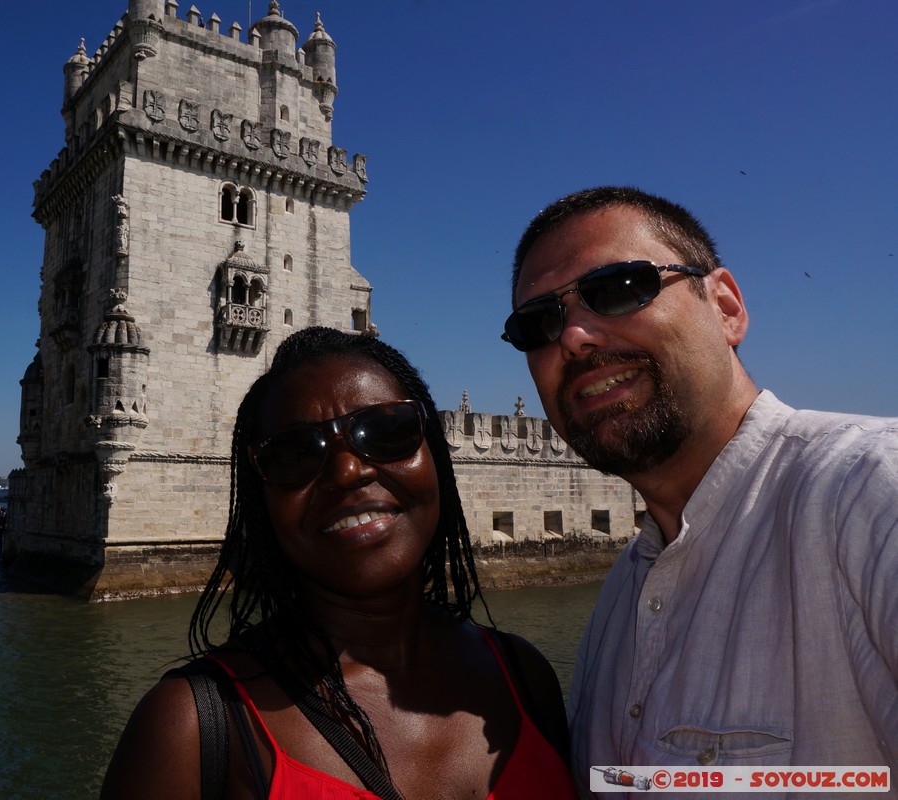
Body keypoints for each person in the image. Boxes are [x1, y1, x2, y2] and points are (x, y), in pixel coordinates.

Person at [502, 186, 898, 789]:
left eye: (618, 288)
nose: (574, 336)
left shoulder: (871, 493)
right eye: (538, 323)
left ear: (726, 307)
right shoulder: (620, 598)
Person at [101, 326, 577, 799]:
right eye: (294, 454)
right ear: (260, 496)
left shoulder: (527, 677)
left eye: (388, 431)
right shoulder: (188, 731)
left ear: (436, 451)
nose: (349, 471)